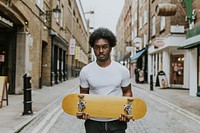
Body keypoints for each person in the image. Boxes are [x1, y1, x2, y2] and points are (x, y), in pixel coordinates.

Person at [78, 27, 133, 133]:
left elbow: (127, 92)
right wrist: (83, 111)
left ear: (111, 47)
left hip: (116, 121)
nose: (101, 51)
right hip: (93, 122)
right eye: (97, 47)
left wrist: (125, 112)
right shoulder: (85, 71)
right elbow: (83, 95)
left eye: (105, 47)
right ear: (93, 49)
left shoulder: (122, 70)